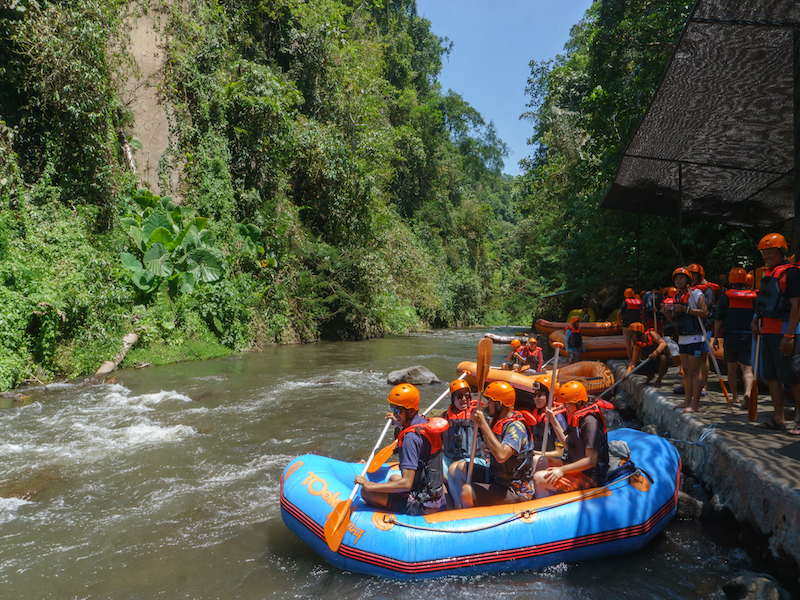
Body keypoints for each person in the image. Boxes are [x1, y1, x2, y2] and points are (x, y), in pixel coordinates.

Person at [355, 384, 446, 515]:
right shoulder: (424, 423)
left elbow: (406, 484)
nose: (394, 413)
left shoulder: (410, 438)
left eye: (398, 411)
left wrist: (370, 486)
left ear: (411, 412)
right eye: (393, 409)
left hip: (423, 505)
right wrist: (397, 420)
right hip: (434, 497)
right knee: (393, 478)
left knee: (366, 492)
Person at [449, 381, 535, 507]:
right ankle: (458, 507)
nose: (488, 405)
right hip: (497, 478)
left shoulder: (515, 427)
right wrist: (485, 447)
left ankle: (472, 519)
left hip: (515, 488)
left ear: (499, 403)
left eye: (490, 401)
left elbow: (501, 456)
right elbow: (489, 445)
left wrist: (483, 424)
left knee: (467, 490)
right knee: (458, 468)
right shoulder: (499, 422)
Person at [751, 233, 800, 434]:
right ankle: (778, 418)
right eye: (764, 253)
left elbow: (797, 307)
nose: (767, 257)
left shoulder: (792, 273)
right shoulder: (768, 273)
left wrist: (788, 336)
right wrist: (755, 319)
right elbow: (765, 302)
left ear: (781, 252)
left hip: (785, 331)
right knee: (770, 375)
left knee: (792, 375)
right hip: (767, 331)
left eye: (770, 252)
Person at [533, 381, 610, 498]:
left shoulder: (590, 422)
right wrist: (553, 420)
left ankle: (544, 510)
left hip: (590, 478)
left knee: (538, 478)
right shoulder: (575, 417)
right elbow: (567, 445)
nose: (565, 407)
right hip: (574, 466)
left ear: (579, 402)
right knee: (536, 460)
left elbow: (591, 460)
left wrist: (562, 470)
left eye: (568, 404)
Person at [664, 267, 708, 413]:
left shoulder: (696, 293)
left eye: (681, 278)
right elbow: (676, 321)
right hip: (682, 338)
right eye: (676, 278)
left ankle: (695, 404)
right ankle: (687, 401)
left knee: (695, 371)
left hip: (695, 337)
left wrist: (687, 310)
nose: (679, 280)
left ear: (688, 280)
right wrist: (667, 314)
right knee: (687, 371)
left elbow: (704, 312)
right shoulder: (677, 297)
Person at [713, 267, 757, 409]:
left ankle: (735, 397)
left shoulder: (726, 296)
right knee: (747, 368)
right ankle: (748, 391)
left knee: (731, 368)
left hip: (731, 336)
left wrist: (714, 338)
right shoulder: (754, 296)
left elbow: (718, 319)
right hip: (748, 336)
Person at [440, 379, 485, 507]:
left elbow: (490, 436)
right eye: (460, 396)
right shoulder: (444, 417)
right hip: (450, 458)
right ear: (453, 399)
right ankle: (449, 500)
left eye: (467, 396)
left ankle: (460, 504)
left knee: (455, 469)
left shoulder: (477, 415)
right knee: (433, 463)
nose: (464, 399)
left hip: (472, 458)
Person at [528, 376, 568, 459]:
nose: (536, 398)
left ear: (549, 396)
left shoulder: (558, 418)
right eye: (534, 395)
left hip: (556, 461)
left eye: (540, 395)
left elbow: (559, 453)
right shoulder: (536, 415)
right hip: (540, 456)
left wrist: (534, 454)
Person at [625, 322, 669, 387]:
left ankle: (658, 380)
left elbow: (663, 343)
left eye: (633, 334)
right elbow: (633, 363)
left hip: (660, 362)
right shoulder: (637, 345)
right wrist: (627, 373)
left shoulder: (651, 334)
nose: (632, 336)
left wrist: (655, 353)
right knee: (628, 366)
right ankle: (650, 375)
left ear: (639, 332)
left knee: (663, 358)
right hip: (650, 363)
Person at [619, 288, 643, 360]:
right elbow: (641, 313)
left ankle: (630, 360)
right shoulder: (638, 302)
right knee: (637, 343)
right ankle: (638, 359)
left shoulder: (625, 302)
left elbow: (619, 312)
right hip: (636, 326)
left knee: (628, 344)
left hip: (627, 325)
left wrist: (620, 322)